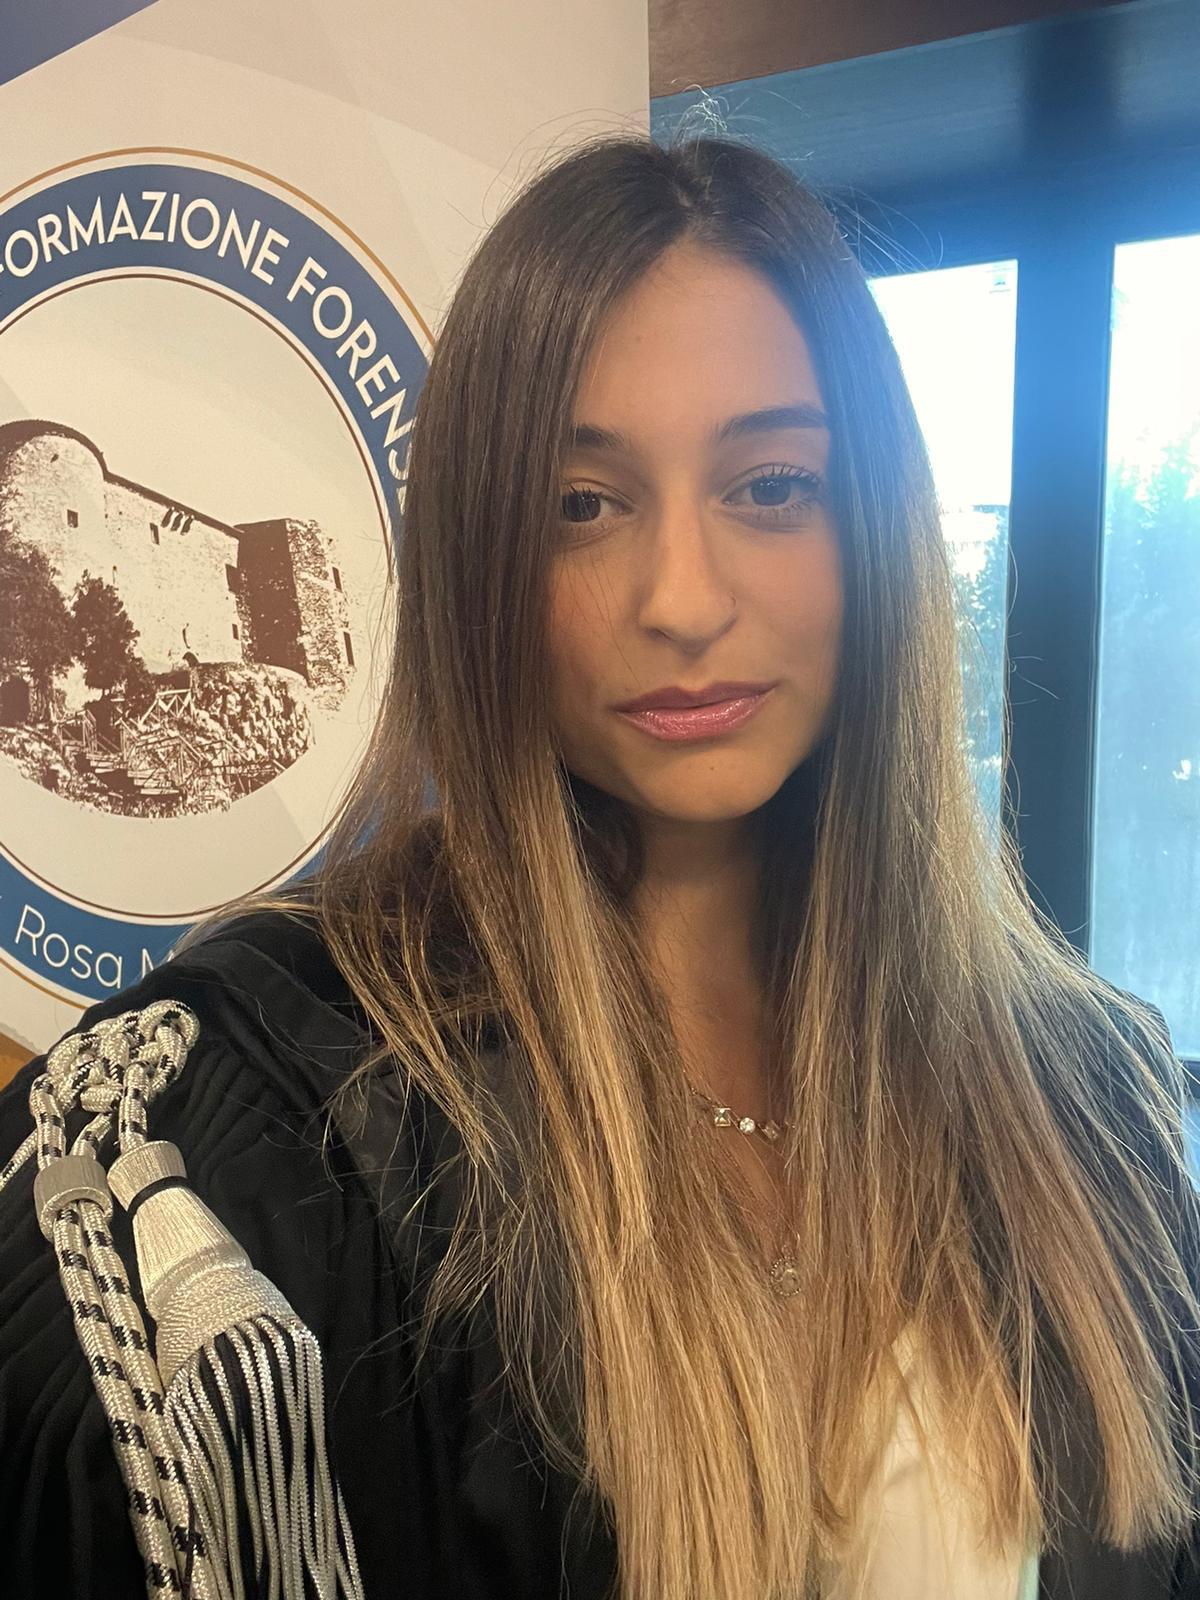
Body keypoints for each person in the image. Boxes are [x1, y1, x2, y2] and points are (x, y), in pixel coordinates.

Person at [0, 132, 1197, 1600]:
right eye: (584, 504)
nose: (682, 599)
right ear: (483, 558)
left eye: (772, 485)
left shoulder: (1079, 1100)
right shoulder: (264, 1133)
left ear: (875, 528)